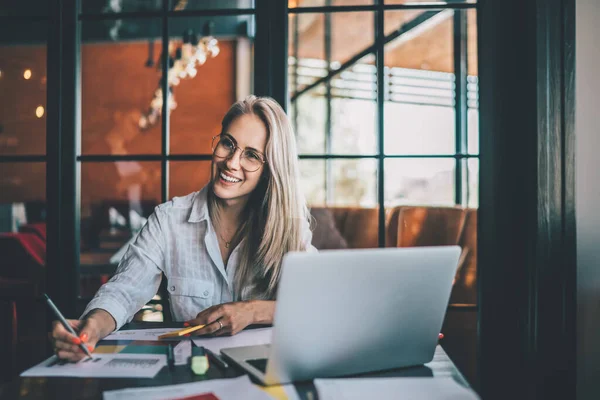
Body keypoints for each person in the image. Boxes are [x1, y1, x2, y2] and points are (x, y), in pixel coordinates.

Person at [50, 95, 315, 361]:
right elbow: (123, 291)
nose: (232, 163)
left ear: (271, 169)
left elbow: (319, 305)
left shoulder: (290, 228)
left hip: (267, 373)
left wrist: (253, 311)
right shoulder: (168, 220)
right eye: (228, 144)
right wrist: (92, 327)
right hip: (192, 372)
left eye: (252, 155)